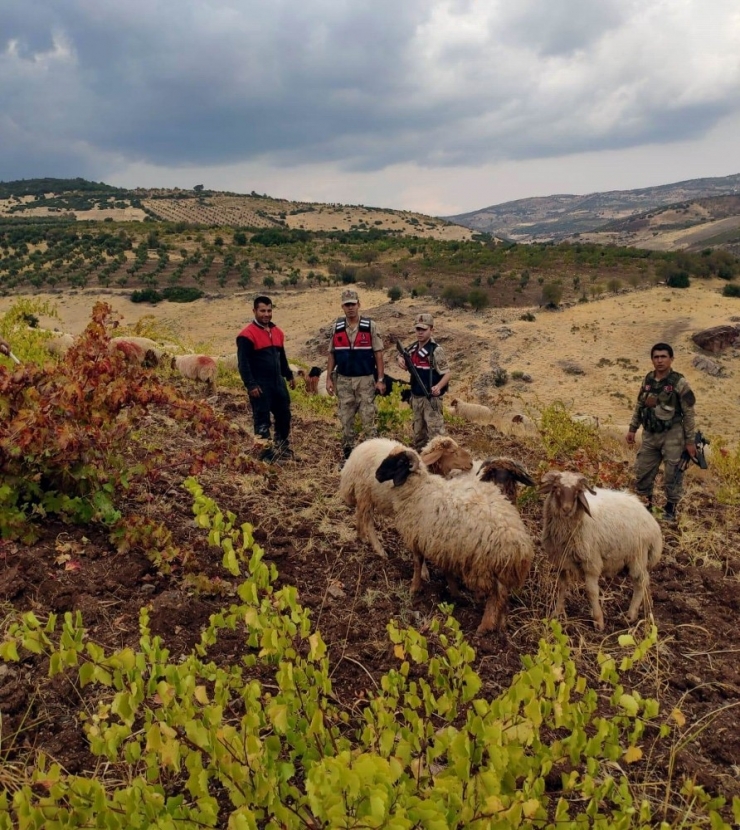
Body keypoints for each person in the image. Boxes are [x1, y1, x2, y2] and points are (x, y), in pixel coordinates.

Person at [626, 342, 696, 522]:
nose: (659, 360)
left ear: (671, 359)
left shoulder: (679, 382)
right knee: (643, 471)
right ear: (652, 359)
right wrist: (633, 428)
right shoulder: (647, 380)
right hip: (649, 434)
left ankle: (670, 510)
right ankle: (646, 507)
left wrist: (689, 441)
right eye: (656, 357)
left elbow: (688, 413)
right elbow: (639, 405)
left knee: (673, 473)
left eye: (663, 356)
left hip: (672, 435)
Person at [326, 288, 386, 459]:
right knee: (346, 421)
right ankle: (348, 458)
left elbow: (379, 354)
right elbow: (332, 354)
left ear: (359, 304)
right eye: (347, 305)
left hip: (365, 380)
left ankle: (374, 458)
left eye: (353, 304)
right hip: (344, 380)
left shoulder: (370, 327)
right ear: (342, 307)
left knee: (368, 420)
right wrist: (329, 378)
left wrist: (380, 379)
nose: (350, 308)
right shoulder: (336, 328)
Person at [237, 295, 295, 462]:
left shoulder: (277, 332)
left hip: (278, 381)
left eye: (269, 310)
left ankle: (282, 445)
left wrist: (289, 375)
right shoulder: (246, 336)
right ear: (254, 311)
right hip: (260, 383)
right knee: (262, 418)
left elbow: (281, 357)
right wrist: (251, 385)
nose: (266, 314)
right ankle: (265, 454)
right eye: (262, 311)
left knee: (284, 414)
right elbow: (243, 364)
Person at [396, 313, 451, 450]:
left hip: (430, 398)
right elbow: (401, 354)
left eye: (423, 329)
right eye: (417, 329)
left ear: (431, 330)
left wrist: (438, 387)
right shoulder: (413, 348)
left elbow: (447, 374)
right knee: (418, 435)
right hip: (416, 397)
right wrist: (400, 359)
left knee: (436, 436)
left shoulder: (436, 350)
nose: (420, 333)